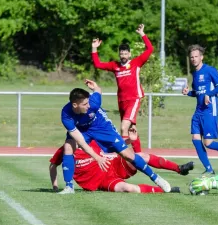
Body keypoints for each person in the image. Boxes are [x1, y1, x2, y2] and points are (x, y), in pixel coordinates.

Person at [60, 79, 171, 194]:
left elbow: (98, 91)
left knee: (127, 155)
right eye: (84, 104)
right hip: (82, 131)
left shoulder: (93, 103)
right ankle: (69, 187)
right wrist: (97, 157)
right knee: (68, 146)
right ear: (75, 105)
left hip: (101, 127)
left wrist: (95, 87)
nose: (88, 106)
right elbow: (81, 142)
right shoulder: (66, 115)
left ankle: (155, 177)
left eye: (88, 102)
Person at [49, 129, 194, 194]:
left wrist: (129, 140)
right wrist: (55, 187)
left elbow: (112, 145)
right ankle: (165, 190)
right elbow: (52, 166)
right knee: (130, 189)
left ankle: (179, 168)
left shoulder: (92, 139)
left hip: (114, 165)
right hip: (102, 182)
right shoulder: (66, 150)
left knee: (141, 156)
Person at [91, 23, 153, 152]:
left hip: (134, 98)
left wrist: (142, 34)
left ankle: (123, 154)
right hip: (122, 101)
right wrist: (94, 48)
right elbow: (97, 64)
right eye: (121, 54)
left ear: (130, 54)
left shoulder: (136, 62)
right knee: (131, 129)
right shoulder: (115, 66)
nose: (123, 56)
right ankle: (139, 154)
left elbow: (150, 49)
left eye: (125, 53)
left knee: (124, 127)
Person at [182, 45, 218, 175]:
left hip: (209, 110)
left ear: (201, 57)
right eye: (192, 57)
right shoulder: (195, 74)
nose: (194, 59)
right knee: (195, 139)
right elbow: (198, 93)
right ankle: (209, 169)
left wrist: (210, 94)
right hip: (198, 111)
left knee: (208, 143)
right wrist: (188, 92)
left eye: (196, 56)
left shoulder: (210, 70)